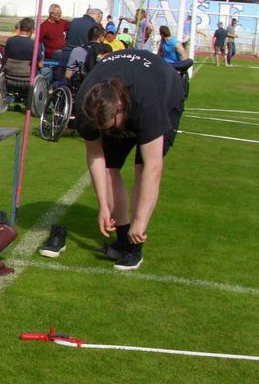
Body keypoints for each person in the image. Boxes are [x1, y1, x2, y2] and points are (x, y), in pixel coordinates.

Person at [73, 49, 186, 271]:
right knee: (110, 167)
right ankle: (123, 239)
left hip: (166, 91)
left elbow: (153, 167)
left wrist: (140, 221)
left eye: (111, 126)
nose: (109, 132)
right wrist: (103, 205)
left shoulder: (147, 103)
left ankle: (135, 246)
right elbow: (96, 156)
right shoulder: (86, 107)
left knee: (141, 167)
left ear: (121, 108)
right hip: (127, 92)